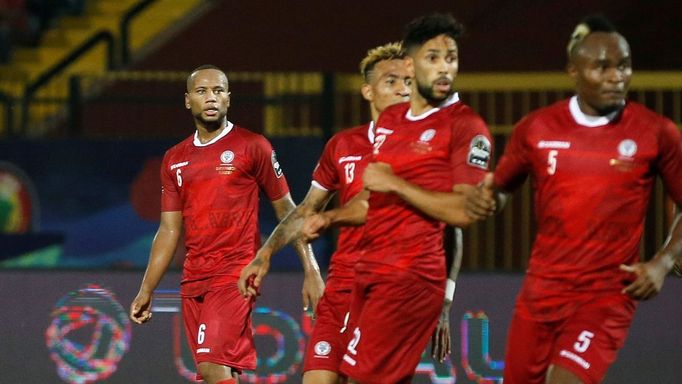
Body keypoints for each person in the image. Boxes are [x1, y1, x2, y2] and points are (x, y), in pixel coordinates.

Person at [467, 15, 682, 384]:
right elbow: (499, 191)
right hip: (541, 292)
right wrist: (484, 200)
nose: (617, 76)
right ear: (574, 71)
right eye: (603, 67)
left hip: (606, 296)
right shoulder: (536, 128)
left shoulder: (656, 132)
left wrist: (663, 262)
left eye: (624, 66)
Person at [300, 13, 493, 383]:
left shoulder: (464, 125)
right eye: (432, 57)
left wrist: (400, 186)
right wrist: (330, 218)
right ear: (412, 63)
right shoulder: (391, 124)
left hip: (410, 277)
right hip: (367, 276)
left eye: (450, 58)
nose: (443, 68)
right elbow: (371, 200)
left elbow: (464, 213)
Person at [128, 65, 324, 384]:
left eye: (218, 91)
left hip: (237, 272)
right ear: (187, 100)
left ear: (229, 99)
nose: (211, 98)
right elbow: (168, 230)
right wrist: (146, 287)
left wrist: (311, 270)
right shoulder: (174, 158)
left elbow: (289, 211)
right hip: (194, 277)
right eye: (202, 92)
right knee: (219, 372)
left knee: (211, 365)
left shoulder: (253, 146)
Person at [238, 42, 410, 383]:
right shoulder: (344, 145)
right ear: (368, 90)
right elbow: (307, 209)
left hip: (388, 288)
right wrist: (265, 254)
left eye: (409, 81)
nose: (404, 89)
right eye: (392, 81)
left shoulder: (422, 147)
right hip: (342, 285)